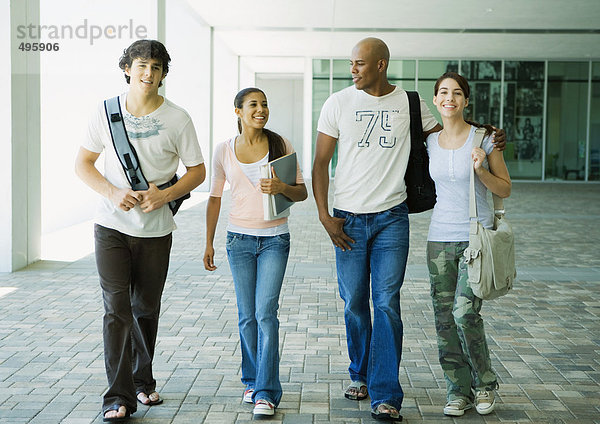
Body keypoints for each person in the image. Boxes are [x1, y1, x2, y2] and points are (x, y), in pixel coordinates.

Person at [312, 38, 505, 422]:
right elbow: (320, 164)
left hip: (391, 219)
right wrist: (323, 215)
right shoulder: (337, 103)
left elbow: (450, 130)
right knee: (354, 302)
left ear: (381, 64)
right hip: (346, 219)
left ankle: (386, 395)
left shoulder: (410, 103)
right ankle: (359, 373)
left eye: (360, 64)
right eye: (351, 63)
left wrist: (490, 134)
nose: (353, 70)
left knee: (386, 303)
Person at [75, 39, 206, 422]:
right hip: (111, 227)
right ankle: (118, 397)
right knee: (116, 310)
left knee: (145, 309)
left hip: (155, 230)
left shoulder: (178, 118)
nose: (148, 73)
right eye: (142, 65)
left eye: (156, 67)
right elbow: (82, 163)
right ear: (128, 68)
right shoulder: (105, 111)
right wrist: (112, 192)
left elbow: (197, 171)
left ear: (164, 74)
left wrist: (164, 195)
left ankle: (142, 380)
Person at [203, 87, 307, 419]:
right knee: (246, 315)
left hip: (275, 238)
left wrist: (281, 188)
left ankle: (267, 391)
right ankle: (251, 381)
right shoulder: (223, 150)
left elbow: (301, 192)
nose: (260, 109)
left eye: (264, 104)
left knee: (265, 312)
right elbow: (215, 197)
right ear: (238, 111)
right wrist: (208, 242)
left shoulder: (280, 145)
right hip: (239, 242)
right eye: (253, 104)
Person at [425, 72, 511, 417]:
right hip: (438, 239)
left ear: (466, 101)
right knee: (444, 318)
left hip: (475, 237)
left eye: (457, 93)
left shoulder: (485, 139)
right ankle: (457, 389)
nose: (450, 98)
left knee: (464, 313)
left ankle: (485, 384)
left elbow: (504, 188)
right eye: (444, 92)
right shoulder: (429, 140)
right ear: (435, 100)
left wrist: (480, 170)